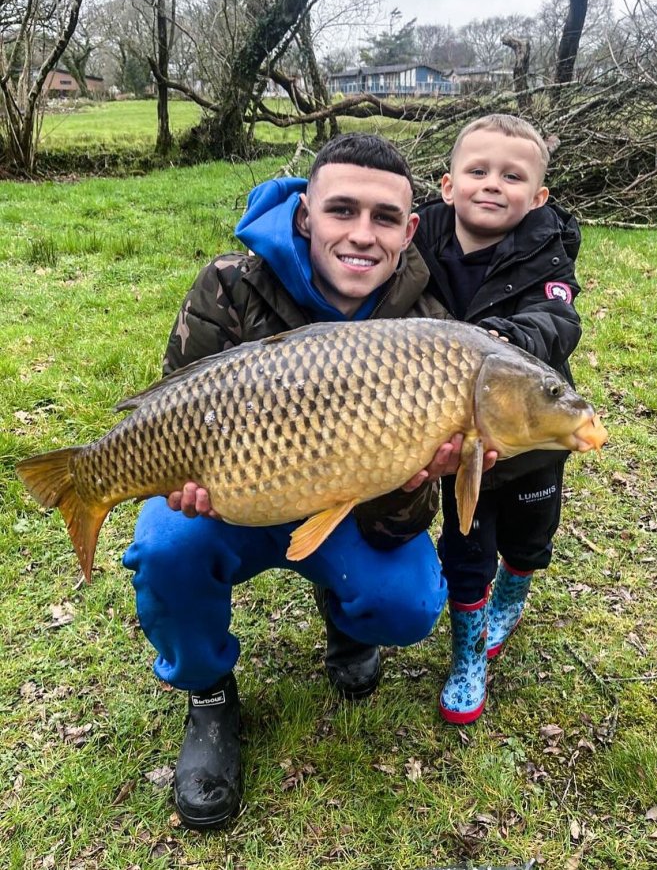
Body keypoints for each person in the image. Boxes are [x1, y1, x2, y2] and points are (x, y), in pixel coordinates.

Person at [122, 133, 492, 830]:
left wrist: (416, 479)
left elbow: (403, 525)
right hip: (238, 494)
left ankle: (347, 619)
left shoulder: (428, 328)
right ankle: (206, 694)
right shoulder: (230, 283)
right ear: (304, 216)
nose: (361, 234)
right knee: (167, 543)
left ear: (410, 229)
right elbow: (174, 413)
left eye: (385, 218)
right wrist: (181, 482)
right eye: (341, 210)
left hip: (346, 510)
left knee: (410, 599)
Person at [413, 113, 583, 724]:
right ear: (447, 184)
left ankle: (513, 592)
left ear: (537, 197)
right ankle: (467, 655)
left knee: (529, 539)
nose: (492, 184)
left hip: (531, 434)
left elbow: (558, 322)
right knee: (463, 546)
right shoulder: (418, 242)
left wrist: (502, 339)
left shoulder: (548, 252)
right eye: (477, 170)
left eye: (512, 176)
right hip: (462, 440)